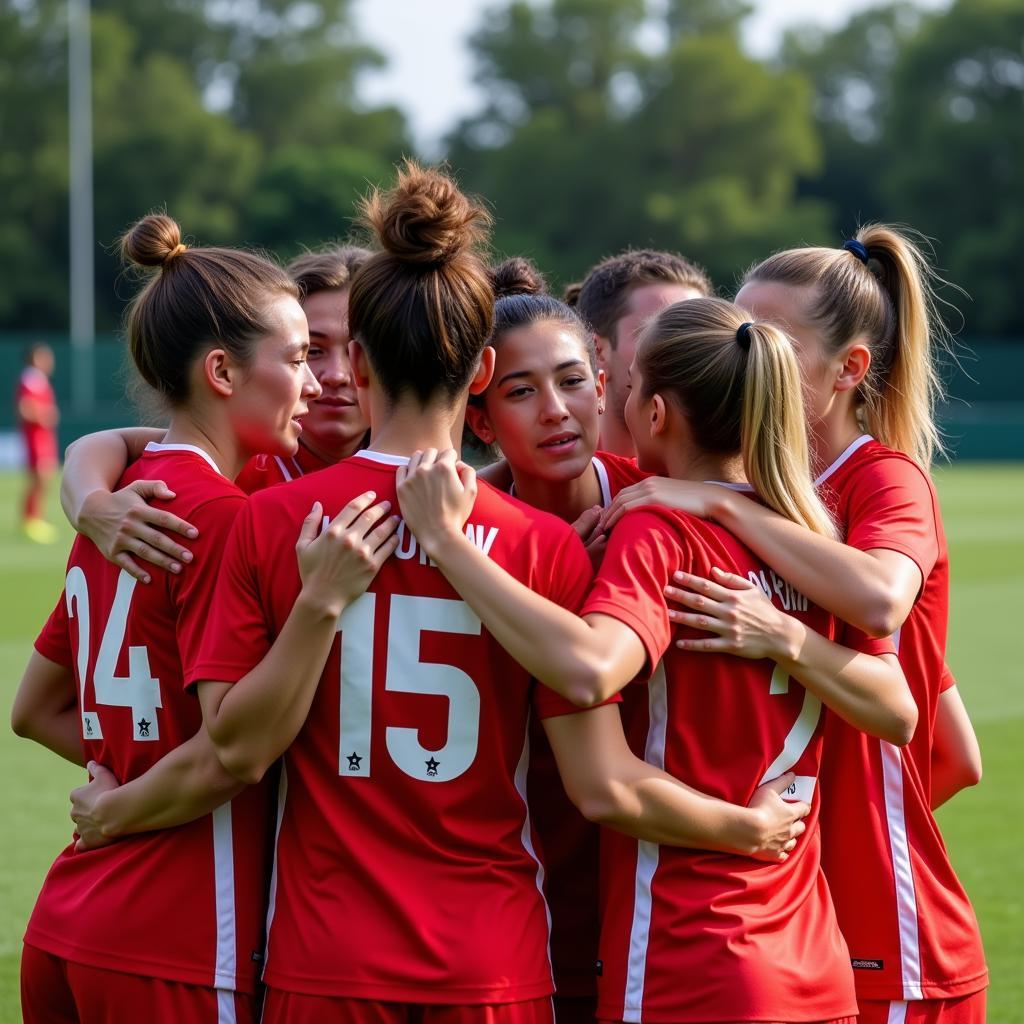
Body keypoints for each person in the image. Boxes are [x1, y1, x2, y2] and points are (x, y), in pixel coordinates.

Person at [190, 163, 808, 1024]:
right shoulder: (546, 547)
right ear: (482, 372)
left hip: (326, 956)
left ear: (358, 361)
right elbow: (608, 786)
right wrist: (745, 826)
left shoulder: (267, 523)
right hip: (492, 961)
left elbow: (234, 748)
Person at [397, 295, 918, 1023]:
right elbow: (901, 709)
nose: (566, 409)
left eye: (610, 384)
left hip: (687, 948)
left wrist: (452, 547)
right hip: (803, 954)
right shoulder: (807, 531)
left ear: (651, 411)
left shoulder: (655, 523)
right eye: (522, 390)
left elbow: (592, 675)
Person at [10, 213, 396, 1024]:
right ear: (222, 371)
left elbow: (35, 708)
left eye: (341, 356)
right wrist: (150, 791)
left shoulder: (133, 497)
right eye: (300, 357)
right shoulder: (224, 515)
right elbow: (237, 749)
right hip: (182, 933)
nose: (323, 378)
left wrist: (135, 774)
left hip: (75, 911)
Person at [607, 227, 987, 1023]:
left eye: (769, 339)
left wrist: (724, 512)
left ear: (849, 370)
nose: (746, 354)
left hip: (889, 927)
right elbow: (955, 742)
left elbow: (885, 608)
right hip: (792, 915)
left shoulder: (880, 482)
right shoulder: (756, 496)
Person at [56, 245, 373, 582]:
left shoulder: (421, 478)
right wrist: (92, 505)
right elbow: (102, 445)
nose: (336, 375)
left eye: (359, 350)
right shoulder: (236, 470)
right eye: (310, 353)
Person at [575, 249, 710, 458]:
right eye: (657, 335)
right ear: (596, 352)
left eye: (699, 338)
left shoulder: (751, 482)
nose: (688, 354)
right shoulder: (547, 484)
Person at [17, 342, 60, 543]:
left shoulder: (39, 380)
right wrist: (44, 415)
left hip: (43, 435)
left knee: (44, 477)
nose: (49, 361)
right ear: (35, 358)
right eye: (45, 357)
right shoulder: (31, 379)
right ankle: (31, 520)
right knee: (39, 476)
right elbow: (25, 409)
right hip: (36, 436)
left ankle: (34, 519)